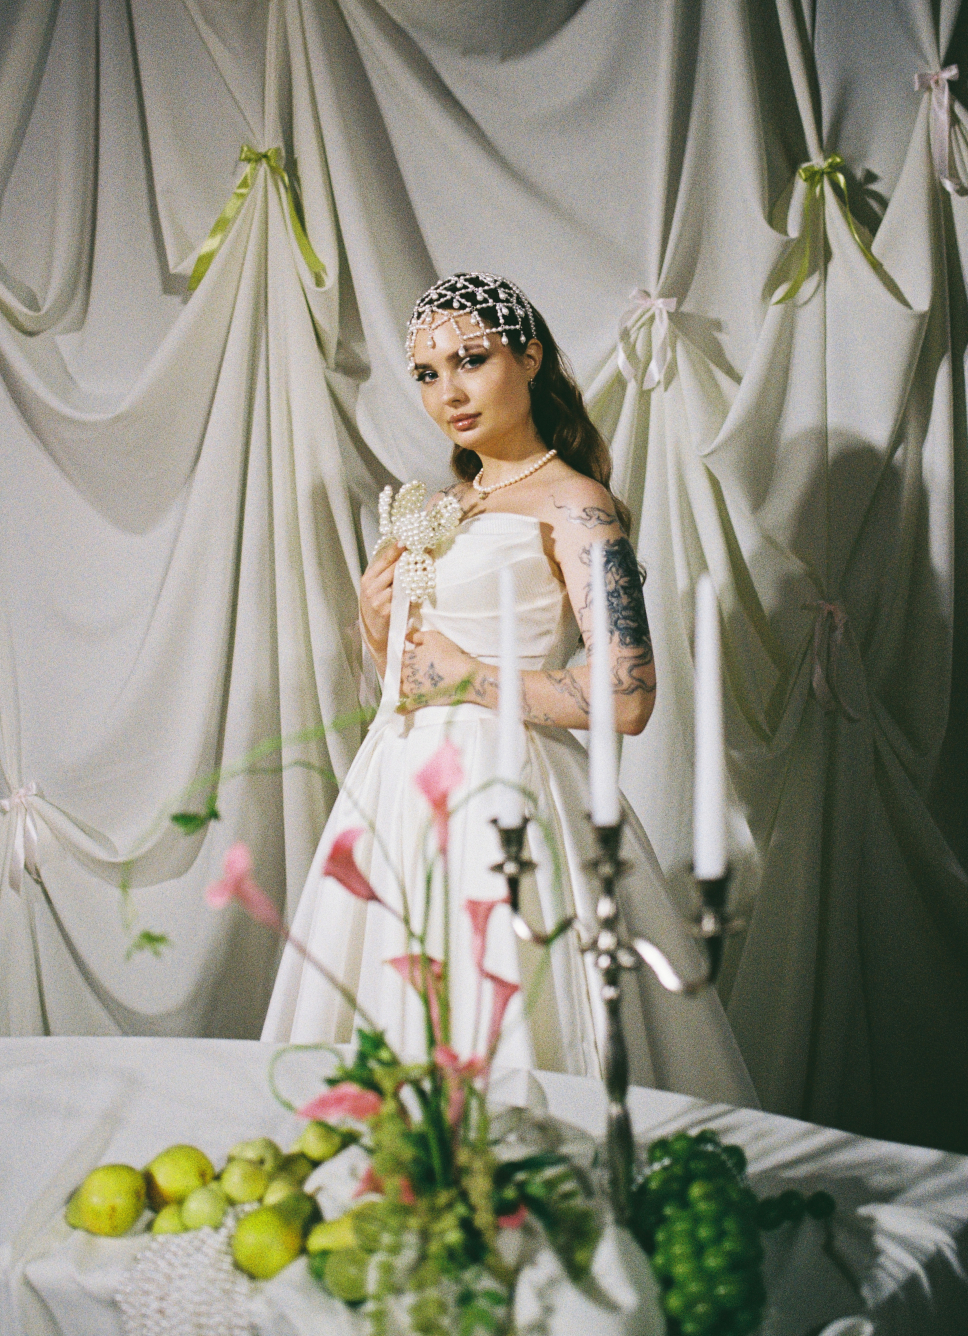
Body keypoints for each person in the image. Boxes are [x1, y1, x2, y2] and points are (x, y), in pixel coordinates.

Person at [262, 273, 756, 1108]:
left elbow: (628, 697)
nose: (448, 393)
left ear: (529, 359)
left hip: (506, 795)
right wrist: (378, 629)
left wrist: (468, 676)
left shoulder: (577, 504)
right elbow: (412, 681)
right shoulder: (441, 506)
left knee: (509, 1028)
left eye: (471, 360)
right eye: (427, 374)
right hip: (396, 799)